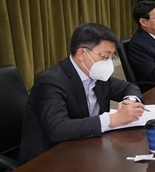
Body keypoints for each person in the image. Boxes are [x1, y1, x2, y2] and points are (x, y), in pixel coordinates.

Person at [19, 23, 145, 163]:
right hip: (48, 159)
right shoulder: (50, 82)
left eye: (111, 56)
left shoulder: (96, 74)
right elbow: (58, 129)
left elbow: (129, 87)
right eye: (105, 57)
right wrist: (112, 119)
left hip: (88, 147)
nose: (108, 62)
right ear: (81, 54)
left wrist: (129, 101)